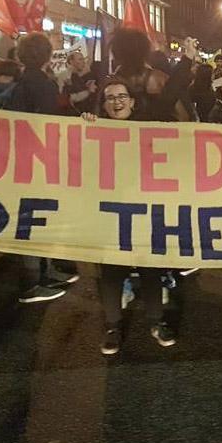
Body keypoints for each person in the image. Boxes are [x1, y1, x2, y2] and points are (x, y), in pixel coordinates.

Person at [81, 77, 178, 354]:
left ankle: (156, 321)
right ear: (103, 104)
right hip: (108, 211)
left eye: (121, 96)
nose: (117, 101)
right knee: (111, 272)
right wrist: (85, 126)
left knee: (150, 268)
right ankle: (113, 326)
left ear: (132, 101)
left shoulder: (147, 128)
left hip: (144, 209)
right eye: (109, 97)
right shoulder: (92, 128)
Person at [8, 33, 78, 304]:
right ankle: (32, 282)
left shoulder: (21, 84)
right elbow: (52, 125)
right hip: (41, 161)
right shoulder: (43, 85)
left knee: (36, 217)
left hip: (25, 160)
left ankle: (43, 272)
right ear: (47, 56)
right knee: (35, 219)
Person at [60, 50, 97, 115]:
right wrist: (88, 91)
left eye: (83, 59)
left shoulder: (80, 77)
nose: (83, 62)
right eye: (80, 59)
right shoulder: (64, 76)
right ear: (71, 61)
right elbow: (68, 98)